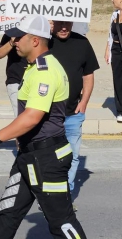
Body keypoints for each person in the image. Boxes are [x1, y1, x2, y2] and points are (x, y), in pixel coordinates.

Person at [0, 15, 86, 239]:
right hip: (29, 156)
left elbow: (32, 117)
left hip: (46, 159)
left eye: (19, 37)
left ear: (35, 40)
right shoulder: (34, 68)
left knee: (62, 222)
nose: (14, 41)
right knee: (7, 214)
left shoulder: (45, 72)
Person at [49, 20, 98, 200]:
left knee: (72, 156)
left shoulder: (82, 42)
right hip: (48, 114)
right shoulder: (43, 42)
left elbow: (89, 74)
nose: (64, 27)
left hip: (73, 112)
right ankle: (49, 194)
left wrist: (84, 102)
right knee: (50, 156)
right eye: (60, 23)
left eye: (67, 23)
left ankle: (64, 195)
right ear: (53, 23)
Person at [0, 34, 26, 117]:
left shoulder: (38, 31)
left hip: (35, 79)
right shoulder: (10, 33)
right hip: (15, 80)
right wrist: (11, 42)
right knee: (20, 116)